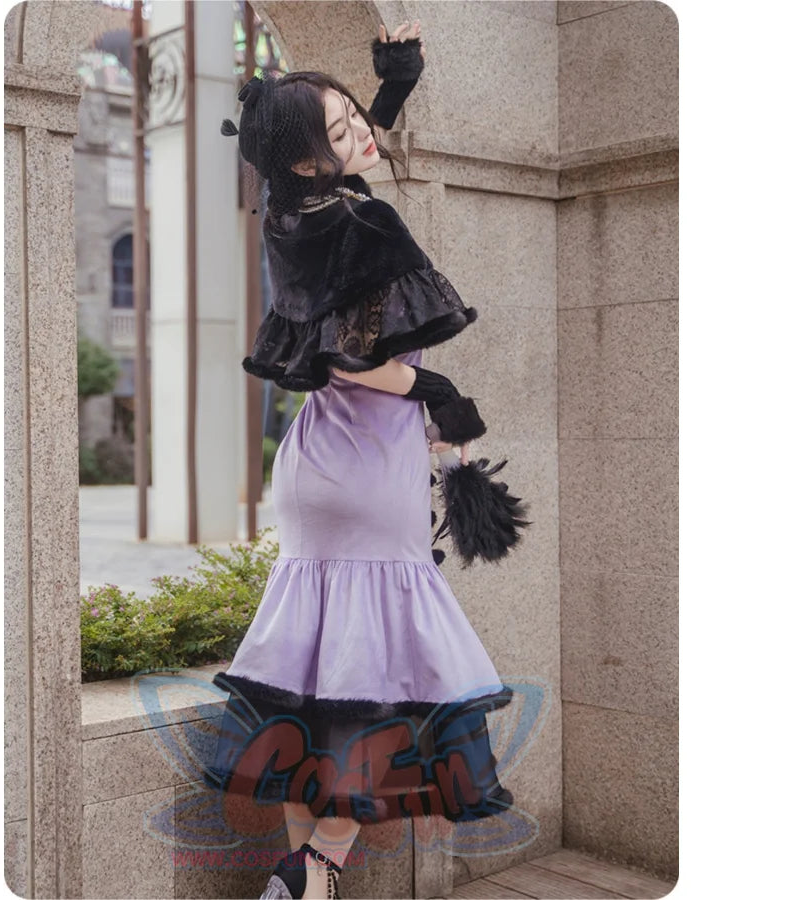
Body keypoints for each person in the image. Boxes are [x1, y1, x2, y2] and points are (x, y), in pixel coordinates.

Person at [206, 22, 515, 900]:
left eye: (352, 113)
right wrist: (435, 389)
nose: (362, 134)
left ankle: (306, 883)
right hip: (369, 458)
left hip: (316, 461)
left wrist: (393, 87)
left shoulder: (293, 209)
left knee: (315, 681)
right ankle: (316, 869)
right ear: (309, 159)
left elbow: (346, 153)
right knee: (379, 677)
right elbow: (349, 357)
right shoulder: (358, 221)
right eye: (341, 129)